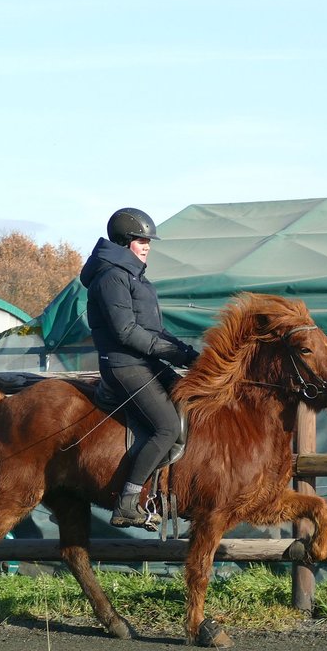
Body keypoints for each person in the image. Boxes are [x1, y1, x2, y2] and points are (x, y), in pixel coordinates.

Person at [80, 207, 200, 529]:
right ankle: (128, 501)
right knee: (167, 429)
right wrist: (173, 354)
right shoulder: (111, 277)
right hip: (124, 366)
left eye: (148, 240)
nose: (147, 245)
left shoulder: (135, 277)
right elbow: (125, 332)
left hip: (145, 362)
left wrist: (189, 354)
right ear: (124, 241)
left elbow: (154, 330)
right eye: (141, 239)